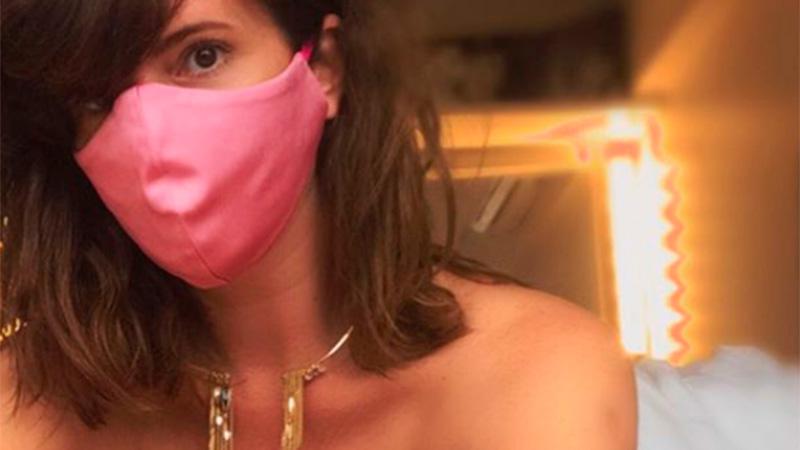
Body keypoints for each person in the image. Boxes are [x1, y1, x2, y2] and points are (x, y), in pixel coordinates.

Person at [0, 0, 637, 448]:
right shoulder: (23, 405)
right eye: (98, 96)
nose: (151, 135)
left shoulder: (534, 374)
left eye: (203, 55)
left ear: (323, 67)